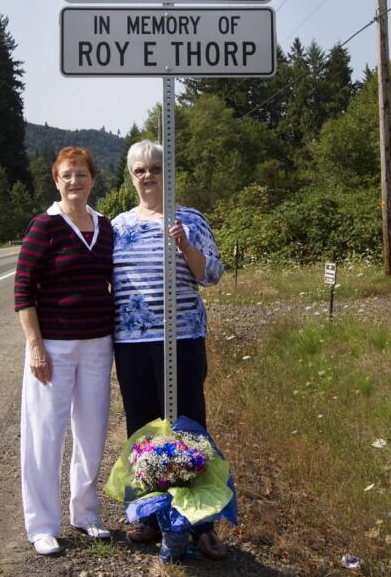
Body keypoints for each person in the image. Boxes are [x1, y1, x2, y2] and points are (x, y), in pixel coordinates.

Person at [111, 139, 229, 560]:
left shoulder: (190, 219)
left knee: (189, 428)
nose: (148, 176)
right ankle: (147, 516)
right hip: (131, 344)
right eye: (140, 170)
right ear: (131, 176)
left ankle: (200, 524)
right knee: (142, 430)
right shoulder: (118, 226)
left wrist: (185, 246)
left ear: (168, 173)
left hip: (182, 339)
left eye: (155, 169)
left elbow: (212, 274)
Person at [14, 146, 115, 557]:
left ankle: (85, 512)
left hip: (97, 345)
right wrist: (35, 346)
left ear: (93, 179)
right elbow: (23, 290)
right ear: (56, 181)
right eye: (67, 175)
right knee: (45, 435)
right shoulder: (45, 226)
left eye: (82, 174)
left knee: (91, 432)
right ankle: (41, 524)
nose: (75, 181)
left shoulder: (105, 227)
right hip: (52, 347)